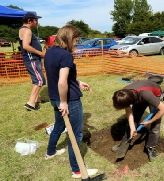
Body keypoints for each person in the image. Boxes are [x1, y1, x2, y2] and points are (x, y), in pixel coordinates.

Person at [44, 25, 98, 179]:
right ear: (68, 38)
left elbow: (59, 74)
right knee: (75, 135)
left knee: (59, 126)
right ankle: (77, 170)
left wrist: (78, 82)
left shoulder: (49, 52)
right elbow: (62, 82)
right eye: (76, 40)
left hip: (54, 98)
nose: (76, 43)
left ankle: (50, 152)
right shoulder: (67, 56)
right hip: (68, 100)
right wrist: (64, 102)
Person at [112, 80, 164, 161]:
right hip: (139, 95)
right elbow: (129, 111)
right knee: (133, 120)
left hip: (154, 95)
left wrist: (150, 121)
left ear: (131, 101)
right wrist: (132, 127)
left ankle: (151, 147)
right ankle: (124, 144)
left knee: (155, 125)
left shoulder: (146, 94)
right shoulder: (123, 94)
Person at [19, 12, 46, 111]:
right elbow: (26, 46)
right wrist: (40, 53)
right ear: (29, 20)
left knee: (36, 79)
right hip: (32, 59)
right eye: (36, 20)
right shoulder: (27, 31)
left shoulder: (23, 29)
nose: (37, 22)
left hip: (31, 59)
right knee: (39, 80)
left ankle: (36, 98)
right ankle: (30, 103)